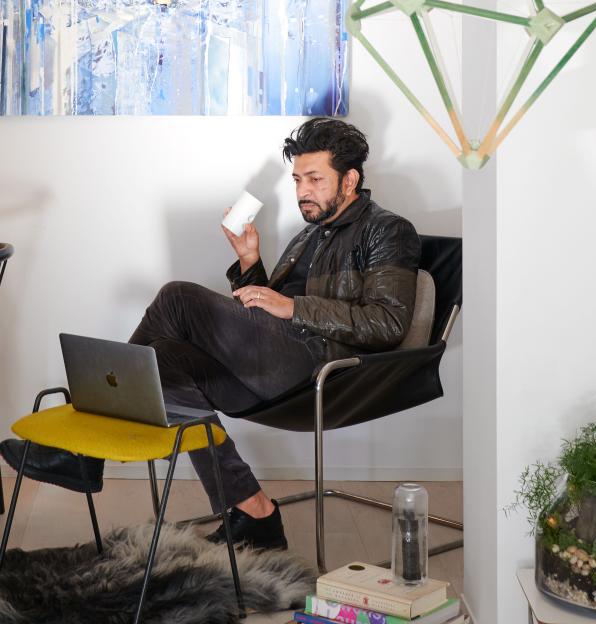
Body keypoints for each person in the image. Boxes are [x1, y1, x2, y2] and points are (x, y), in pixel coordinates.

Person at [128, 117, 421, 551]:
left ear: (350, 179)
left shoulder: (387, 230)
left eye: (316, 179)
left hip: (322, 370)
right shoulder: (310, 235)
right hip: (283, 360)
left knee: (176, 298)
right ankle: (255, 510)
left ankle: (87, 439)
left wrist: (295, 306)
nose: (302, 191)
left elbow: (387, 323)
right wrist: (250, 263)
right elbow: (269, 309)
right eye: (298, 179)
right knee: (166, 360)